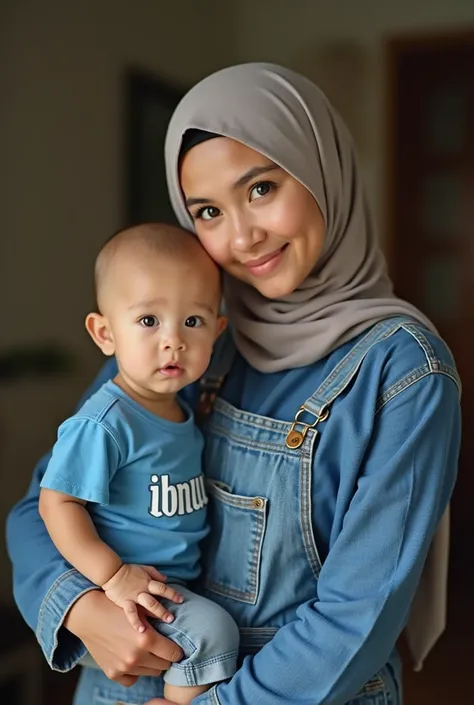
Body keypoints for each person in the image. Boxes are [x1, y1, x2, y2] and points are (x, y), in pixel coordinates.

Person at [6, 63, 460, 705]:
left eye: (262, 188)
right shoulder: (185, 335)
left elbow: (359, 616)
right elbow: (40, 509)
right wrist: (82, 608)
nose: (242, 237)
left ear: (322, 169)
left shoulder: (403, 371)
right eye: (209, 211)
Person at [38, 222, 236, 705]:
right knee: (215, 633)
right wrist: (111, 575)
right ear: (104, 333)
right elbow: (55, 501)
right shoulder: (106, 422)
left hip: (167, 591)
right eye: (149, 321)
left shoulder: (182, 409)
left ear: (217, 329)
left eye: (193, 321)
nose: (174, 340)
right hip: (126, 594)